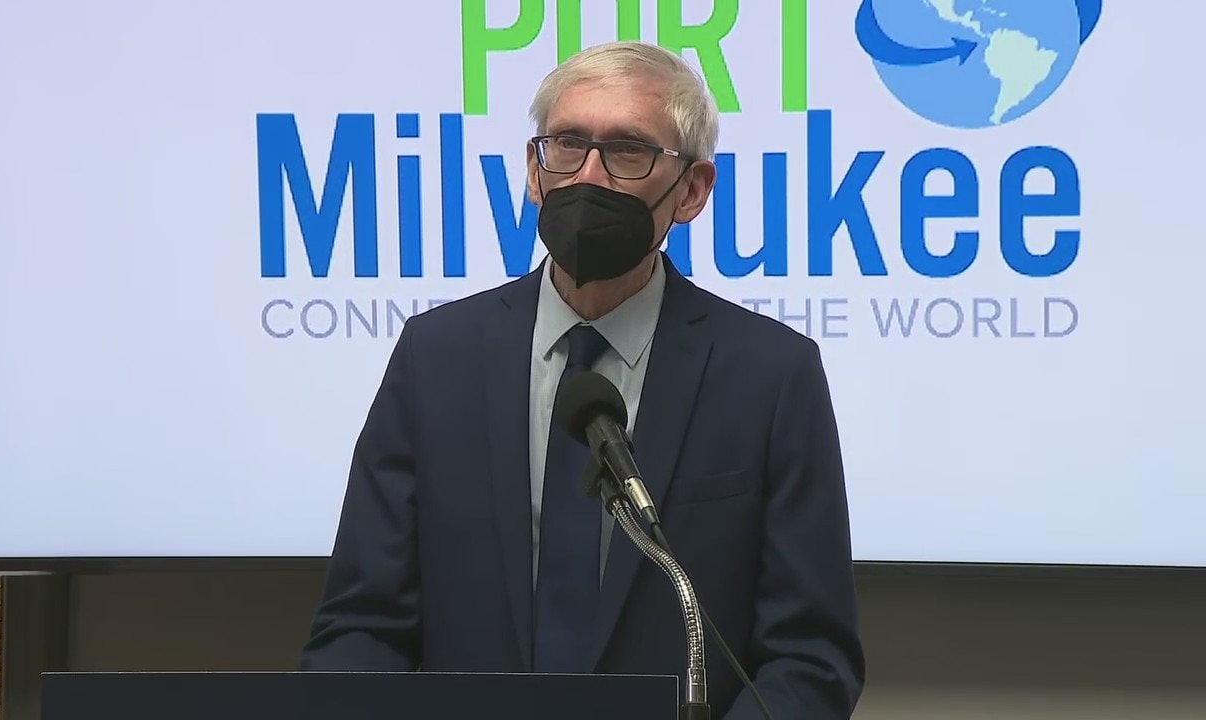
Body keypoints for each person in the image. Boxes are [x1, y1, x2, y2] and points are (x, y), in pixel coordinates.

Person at [299, 40, 865, 720]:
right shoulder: (437, 357)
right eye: (567, 144)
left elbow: (810, 656)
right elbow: (362, 627)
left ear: (692, 190)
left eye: (627, 151)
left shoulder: (770, 374)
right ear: (534, 173)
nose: (589, 176)